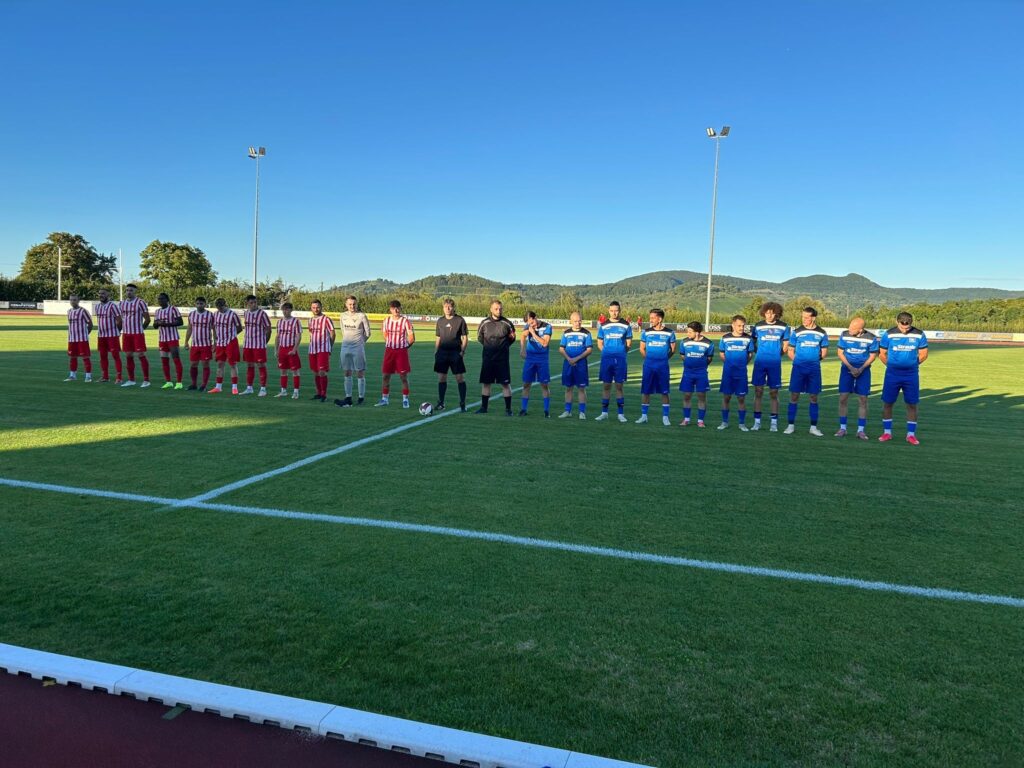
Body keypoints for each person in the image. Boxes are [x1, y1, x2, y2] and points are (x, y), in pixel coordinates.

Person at [878, 311, 928, 445]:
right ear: (897, 322)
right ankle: (887, 432)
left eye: (907, 327)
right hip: (892, 374)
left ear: (911, 323)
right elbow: (882, 353)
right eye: (902, 326)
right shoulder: (889, 334)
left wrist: (913, 364)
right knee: (888, 403)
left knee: (912, 404)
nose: (905, 330)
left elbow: (924, 354)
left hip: (911, 375)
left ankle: (911, 435)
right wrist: (890, 365)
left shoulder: (919, 334)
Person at [785, 307, 829, 436]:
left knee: (814, 397)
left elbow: (824, 352)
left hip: (814, 369)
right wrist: (799, 362)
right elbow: (790, 351)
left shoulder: (822, 333)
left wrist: (813, 361)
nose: (803, 319)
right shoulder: (797, 332)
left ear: (813, 318)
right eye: (802, 317)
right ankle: (790, 426)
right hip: (798, 368)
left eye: (806, 317)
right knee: (794, 396)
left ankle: (813, 428)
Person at [835, 317, 878, 439]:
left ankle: (861, 430)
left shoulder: (871, 338)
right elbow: (840, 353)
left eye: (852, 329)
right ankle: (842, 428)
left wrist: (861, 368)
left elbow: (873, 356)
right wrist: (850, 367)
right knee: (843, 398)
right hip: (846, 370)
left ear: (860, 330)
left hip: (863, 371)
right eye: (849, 327)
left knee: (863, 399)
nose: (849, 330)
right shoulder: (844, 334)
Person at [750, 302, 789, 432]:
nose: (770, 315)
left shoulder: (784, 326)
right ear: (764, 313)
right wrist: (759, 352)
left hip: (774, 363)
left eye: (772, 313)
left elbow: (785, 345)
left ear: (777, 313)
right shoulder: (758, 326)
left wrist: (777, 354)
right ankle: (757, 422)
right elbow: (752, 342)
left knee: (774, 392)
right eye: (767, 313)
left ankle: (774, 423)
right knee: (758, 391)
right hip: (760, 362)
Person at [636, 308, 676, 426]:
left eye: (653, 318)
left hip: (662, 366)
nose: (650, 320)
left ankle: (665, 417)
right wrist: (649, 359)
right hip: (649, 366)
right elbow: (642, 348)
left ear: (660, 319)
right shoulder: (646, 332)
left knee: (664, 391)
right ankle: (644, 416)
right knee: (646, 391)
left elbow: (673, 349)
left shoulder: (670, 333)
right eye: (650, 317)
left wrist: (664, 359)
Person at [476, 300, 516, 415]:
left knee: (505, 384)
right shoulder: (484, 323)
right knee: (486, 383)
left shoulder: (507, 323)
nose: (499, 311)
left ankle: (508, 409)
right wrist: (490, 347)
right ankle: (484, 408)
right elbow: (480, 338)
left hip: (502, 360)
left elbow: (512, 338)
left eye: (500, 309)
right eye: (496, 309)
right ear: (491, 309)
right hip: (488, 359)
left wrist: (502, 348)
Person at [595, 300, 632, 422]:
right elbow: (599, 343)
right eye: (612, 311)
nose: (614, 313)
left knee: (619, 386)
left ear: (619, 311)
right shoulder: (603, 325)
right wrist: (607, 353)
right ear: (609, 311)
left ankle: (620, 414)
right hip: (607, 360)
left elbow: (628, 344)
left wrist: (620, 352)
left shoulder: (626, 325)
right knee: (606, 385)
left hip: (620, 360)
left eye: (616, 311)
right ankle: (604, 413)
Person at [375, 299, 415, 408]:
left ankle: (405, 399)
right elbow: (385, 335)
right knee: (385, 376)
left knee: (403, 377)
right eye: (393, 308)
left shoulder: (405, 321)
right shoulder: (386, 321)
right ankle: (385, 399)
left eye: (398, 308)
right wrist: (391, 343)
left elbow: (411, 338)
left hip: (401, 352)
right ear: (390, 309)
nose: (396, 310)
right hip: (389, 351)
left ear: (400, 308)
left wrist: (404, 347)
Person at [431, 298, 468, 412]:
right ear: (443, 308)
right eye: (445, 306)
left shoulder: (460, 320)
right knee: (441, 378)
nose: (447, 309)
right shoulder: (440, 321)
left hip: (455, 353)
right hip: (442, 353)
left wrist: (462, 351)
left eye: (450, 307)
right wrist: (436, 351)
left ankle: (462, 403)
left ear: (453, 307)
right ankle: (441, 403)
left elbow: (465, 338)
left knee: (459, 378)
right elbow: (438, 337)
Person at [718, 314, 754, 431]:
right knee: (726, 397)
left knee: (741, 398)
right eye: (739, 325)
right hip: (728, 373)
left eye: (743, 326)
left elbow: (750, 354)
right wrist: (729, 364)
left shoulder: (748, 339)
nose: (741, 328)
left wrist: (742, 364)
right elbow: (722, 353)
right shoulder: (725, 338)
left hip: (741, 373)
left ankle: (742, 424)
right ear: (733, 325)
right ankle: (724, 422)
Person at [677, 321, 714, 427]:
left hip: (701, 373)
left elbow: (709, 358)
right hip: (688, 373)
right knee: (687, 395)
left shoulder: (708, 343)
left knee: (701, 396)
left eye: (690, 332)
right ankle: (686, 419)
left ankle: (700, 421)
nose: (687, 334)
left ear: (697, 332)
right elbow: (682, 355)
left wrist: (701, 365)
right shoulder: (684, 342)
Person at [338, 295, 371, 406]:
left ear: (357, 304)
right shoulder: (342, 316)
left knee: (360, 372)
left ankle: (361, 397)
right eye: (350, 304)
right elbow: (343, 330)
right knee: (347, 372)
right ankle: (348, 396)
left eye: (354, 304)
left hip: (357, 348)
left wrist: (360, 342)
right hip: (345, 347)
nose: (352, 306)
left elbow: (368, 333)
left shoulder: (362, 316)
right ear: (346, 305)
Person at [558, 311, 593, 419]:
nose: (578, 323)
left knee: (581, 388)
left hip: (581, 365)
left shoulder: (586, 333)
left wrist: (576, 359)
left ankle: (582, 412)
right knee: (568, 387)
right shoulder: (566, 333)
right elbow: (561, 349)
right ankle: (567, 411)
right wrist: (569, 359)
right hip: (568, 364)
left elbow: (589, 350)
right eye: (575, 321)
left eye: (579, 321)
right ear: (571, 321)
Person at [520, 310, 552, 417]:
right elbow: (523, 335)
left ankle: (546, 411)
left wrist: (533, 333)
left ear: (535, 318)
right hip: (530, 359)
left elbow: (545, 343)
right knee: (526, 384)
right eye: (529, 324)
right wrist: (522, 349)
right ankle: (523, 409)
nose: (531, 325)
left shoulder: (547, 327)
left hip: (542, 359)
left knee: (544, 385)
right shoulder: (528, 326)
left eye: (532, 322)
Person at [119, 283, 151, 388]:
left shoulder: (140, 302)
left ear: (135, 292)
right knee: (128, 355)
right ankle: (131, 380)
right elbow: (121, 318)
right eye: (127, 290)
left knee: (141, 355)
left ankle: (146, 380)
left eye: (131, 290)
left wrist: (141, 329)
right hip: (126, 334)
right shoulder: (122, 303)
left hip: (137, 334)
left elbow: (147, 319)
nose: (129, 292)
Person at [240, 294, 271, 397]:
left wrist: (264, 342)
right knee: (249, 365)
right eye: (251, 303)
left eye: (255, 302)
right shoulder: (246, 313)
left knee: (261, 365)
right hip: (248, 344)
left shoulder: (262, 314)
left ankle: (263, 389)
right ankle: (249, 388)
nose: (254, 304)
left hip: (259, 345)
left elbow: (268, 329)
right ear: (247, 304)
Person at [210, 298, 242, 394]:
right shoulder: (215, 314)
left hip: (230, 342)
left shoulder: (233, 314)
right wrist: (215, 342)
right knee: (220, 364)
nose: (220, 308)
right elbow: (214, 328)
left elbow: (239, 328)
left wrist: (231, 335)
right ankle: (218, 387)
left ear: (225, 305)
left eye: (221, 306)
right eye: (218, 307)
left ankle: (234, 387)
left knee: (232, 364)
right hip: (220, 343)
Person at [153, 292, 184, 390]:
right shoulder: (157, 311)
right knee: (164, 361)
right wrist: (158, 323)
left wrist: (166, 324)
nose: (160, 300)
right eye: (159, 299)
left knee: (176, 359)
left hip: (172, 338)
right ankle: (168, 382)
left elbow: (180, 322)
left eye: (162, 299)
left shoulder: (173, 309)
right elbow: (154, 326)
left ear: (167, 300)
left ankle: (179, 382)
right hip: (162, 339)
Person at [307, 299, 335, 402]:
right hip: (312, 349)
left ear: (321, 307)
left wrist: (329, 346)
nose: (316, 309)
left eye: (318, 307)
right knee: (315, 372)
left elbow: (332, 333)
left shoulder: (326, 319)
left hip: (323, 349)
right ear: (311, 308)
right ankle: (318, 393)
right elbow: (311, 334)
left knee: (322, 372)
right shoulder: (310, 320)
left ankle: (324, 394)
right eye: (314, 307)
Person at [184, 296, 214, 391]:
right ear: (195, 304)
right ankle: (194, 384)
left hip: (206, 344)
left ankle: (204, 385)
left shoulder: (210, 315)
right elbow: (189, 328)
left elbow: (214, 329)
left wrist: (215, 342)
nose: (199, 305)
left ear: (205, 304)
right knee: (193, 364)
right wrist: (186, 341)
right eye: (198, 303)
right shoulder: (192, 314)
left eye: (201, 303)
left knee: (205, 364)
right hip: (195, 344)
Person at [93, 288, 122, 383]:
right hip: (101, 335)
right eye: (100, 293)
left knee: (115, 356)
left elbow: (119, 320)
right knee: (102, 356)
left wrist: (117, 331)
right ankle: (105, 377)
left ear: (108, 295)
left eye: (103, 293)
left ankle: (119, 377)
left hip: (112, 335)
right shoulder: (97, 306)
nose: (101, 295)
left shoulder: (113, 306)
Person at [275, 302, 303, 399]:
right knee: (283, 371)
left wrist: (295, 349)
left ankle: (296, 392)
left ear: (291, 310)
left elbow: (299, 336)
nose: (285, 311)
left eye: (287, 309)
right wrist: (276, 350)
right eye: (283, 309)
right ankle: (283, 391)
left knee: (295, 371)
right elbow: (278, 336)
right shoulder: (279, 322)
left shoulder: (296, 321)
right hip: (282, 349)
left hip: (291, 348)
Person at [64, 294, 93, 382]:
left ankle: (88, 376)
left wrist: (85, 334)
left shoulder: (83, 311)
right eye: (71, 300)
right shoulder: (69, 311)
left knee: (85, 357)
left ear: (78, 301)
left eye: (74, 300)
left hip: (82, 339)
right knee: (72, 357)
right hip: (72, 339)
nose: (72, 302)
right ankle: (72, 376)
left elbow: (90, 324)